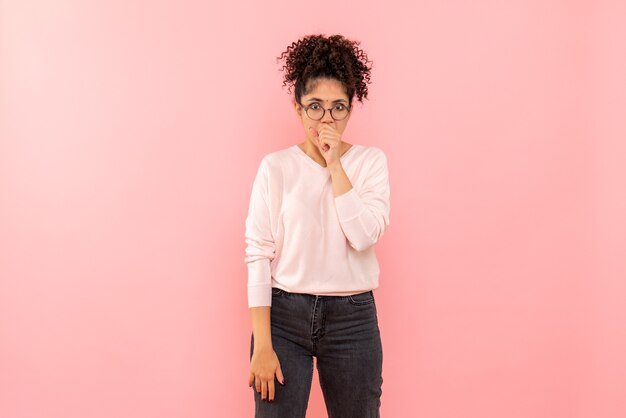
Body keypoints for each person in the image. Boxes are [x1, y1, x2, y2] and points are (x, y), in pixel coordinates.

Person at [244, 33, 390, 418]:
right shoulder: (275, 167)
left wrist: (335, 165)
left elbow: (363, 236)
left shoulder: (370, 163)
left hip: (352, 318)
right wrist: (262, 344)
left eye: (338, 107)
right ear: (298, 109)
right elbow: (258, 252)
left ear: (350, 110)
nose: (327, 119)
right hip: (284, 316)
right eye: (315, 107)